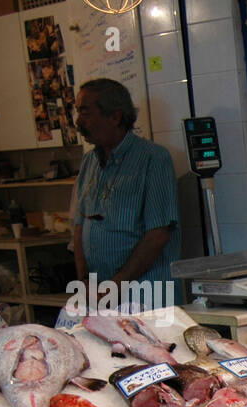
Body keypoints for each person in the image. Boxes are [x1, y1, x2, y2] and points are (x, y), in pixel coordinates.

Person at [72, 79, 180, 306]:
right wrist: (84, 281)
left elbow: (157, 235)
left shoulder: (153, 159)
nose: (78, 122)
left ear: (115, 117)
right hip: (100, 298)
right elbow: (80, 225)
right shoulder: (88, 162)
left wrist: (116, 285)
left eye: (85, 112)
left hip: (146, 298)